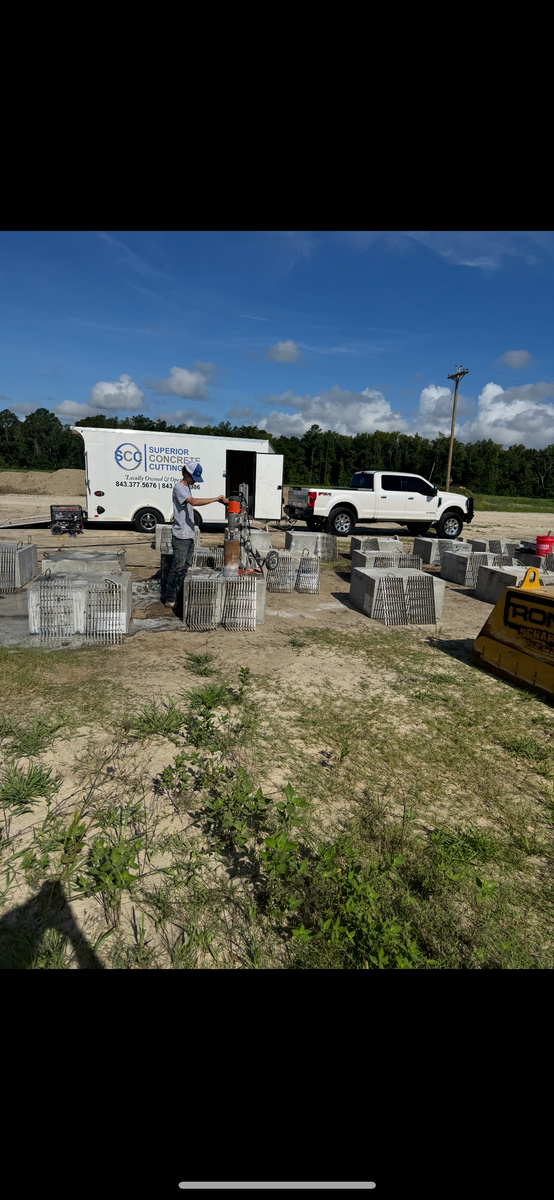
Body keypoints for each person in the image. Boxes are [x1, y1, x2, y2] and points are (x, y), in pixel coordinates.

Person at [162, 464, 228, 608]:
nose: (194, 481)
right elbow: (193, 502)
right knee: (177, 567)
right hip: (181, 536)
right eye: (193, 478)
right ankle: (170, 598)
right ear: (186, 474)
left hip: (189, 534)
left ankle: (179, 594)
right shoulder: (179, 488)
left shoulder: (187, 488)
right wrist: (215, 499)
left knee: (185, 567)